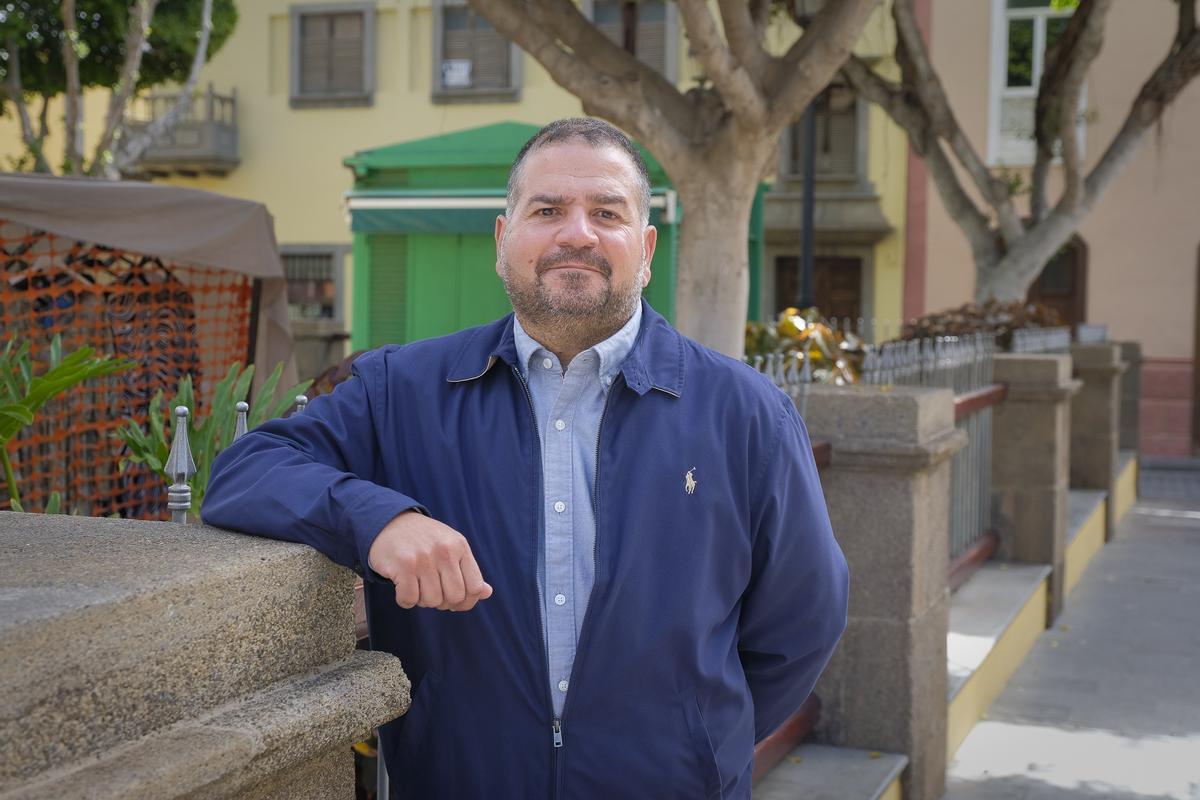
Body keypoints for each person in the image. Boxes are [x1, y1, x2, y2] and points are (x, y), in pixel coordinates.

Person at [203, 117, 849, 799]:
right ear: (503, 238)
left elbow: (802, 620)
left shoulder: (745, 413)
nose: (578, 232)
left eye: (607, 212)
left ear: (647, 246)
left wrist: (695, 740)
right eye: (548, 210)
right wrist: (380, 520)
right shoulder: (405, 391)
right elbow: (247, 470)